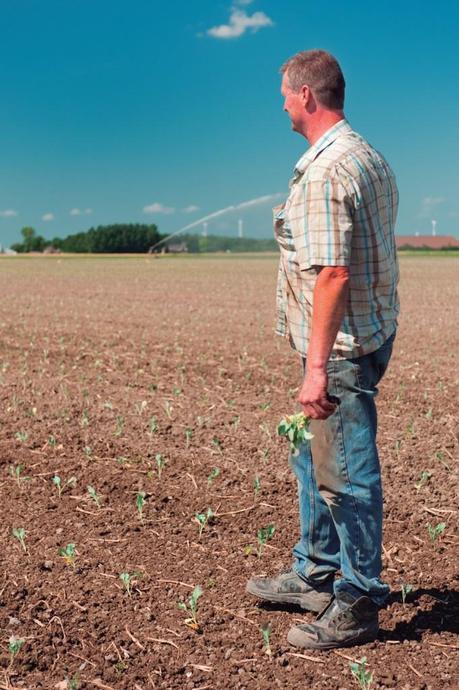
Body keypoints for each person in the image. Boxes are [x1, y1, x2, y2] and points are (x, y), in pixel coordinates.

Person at [246, 49, 400, 650]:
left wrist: (317, 370)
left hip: (338, 348)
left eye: (285, 93)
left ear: (307, 96)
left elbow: (332, 273)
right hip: (366, 330)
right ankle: (315, 570)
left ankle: (358, 598)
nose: (281, 103)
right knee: (313, 460)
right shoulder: (367, 154)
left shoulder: (329, 171)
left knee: (346, 473)